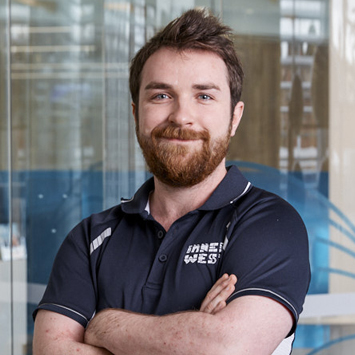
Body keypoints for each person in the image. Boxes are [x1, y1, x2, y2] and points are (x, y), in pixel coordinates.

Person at [33, 8, 310, 355]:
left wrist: (104, 326)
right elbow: (50, 350)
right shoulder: (91, 239)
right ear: (136, 114)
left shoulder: (270, 224)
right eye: (161, 95)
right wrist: (192, 334)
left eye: (204, 96)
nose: (181, 116)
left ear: (234, 117)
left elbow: (226, 348)